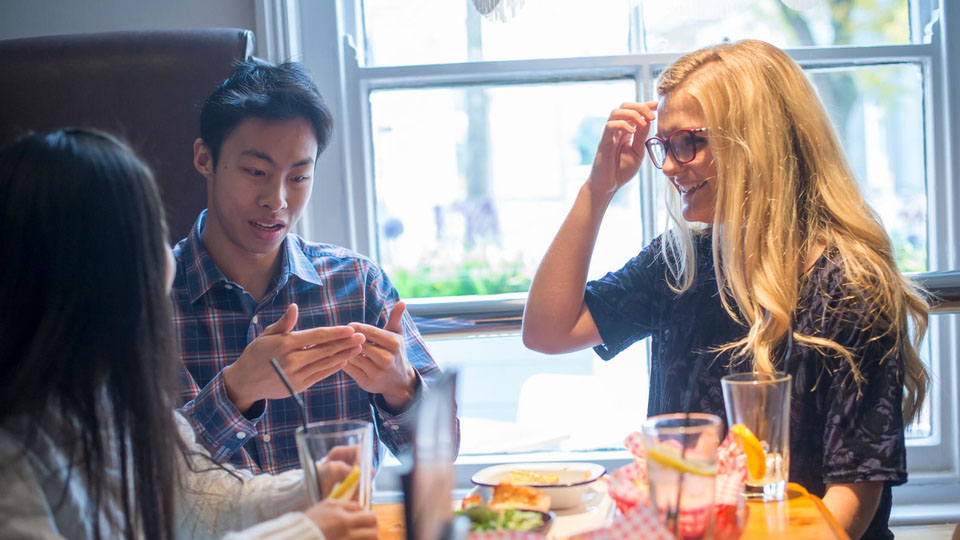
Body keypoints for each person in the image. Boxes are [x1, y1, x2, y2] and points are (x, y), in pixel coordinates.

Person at [522, 39, 928, 540]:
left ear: (757, 142)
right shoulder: (681, 263)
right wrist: (597, 189)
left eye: (687, 142)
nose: (668, 167)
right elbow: (547, 331)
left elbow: (851, 500)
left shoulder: (850, 285)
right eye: (663, 146)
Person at [0, 128, 378, 540]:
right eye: (149, 237)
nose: (168, 259)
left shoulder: (108, 397)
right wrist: (305, 531)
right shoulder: (12, 452)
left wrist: (308, 488)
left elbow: (201, 500)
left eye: (299, 176)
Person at [174, 59, 456, 475]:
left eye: (299, 178)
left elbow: (441, 457)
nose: (277, 200)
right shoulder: (148, 301)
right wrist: (236, 390)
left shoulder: (357, 284)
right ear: (205, 158)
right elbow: (136, 477)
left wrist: (402, 388)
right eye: (256, 171)